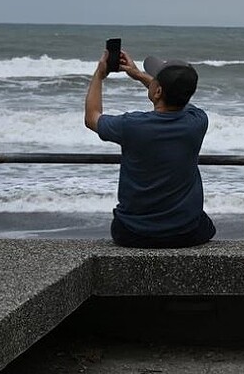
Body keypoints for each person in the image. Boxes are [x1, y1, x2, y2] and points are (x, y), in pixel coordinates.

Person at [84, 48, 216, 248]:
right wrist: (138, 75)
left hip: (133, 233)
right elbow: (181, 102)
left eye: (155, 78)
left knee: (120, 222)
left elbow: (92, 117)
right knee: (203, 222)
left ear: (158, 91)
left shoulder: (131, 125)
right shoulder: (197, 122)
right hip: (186, 232)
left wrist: (99, 74)